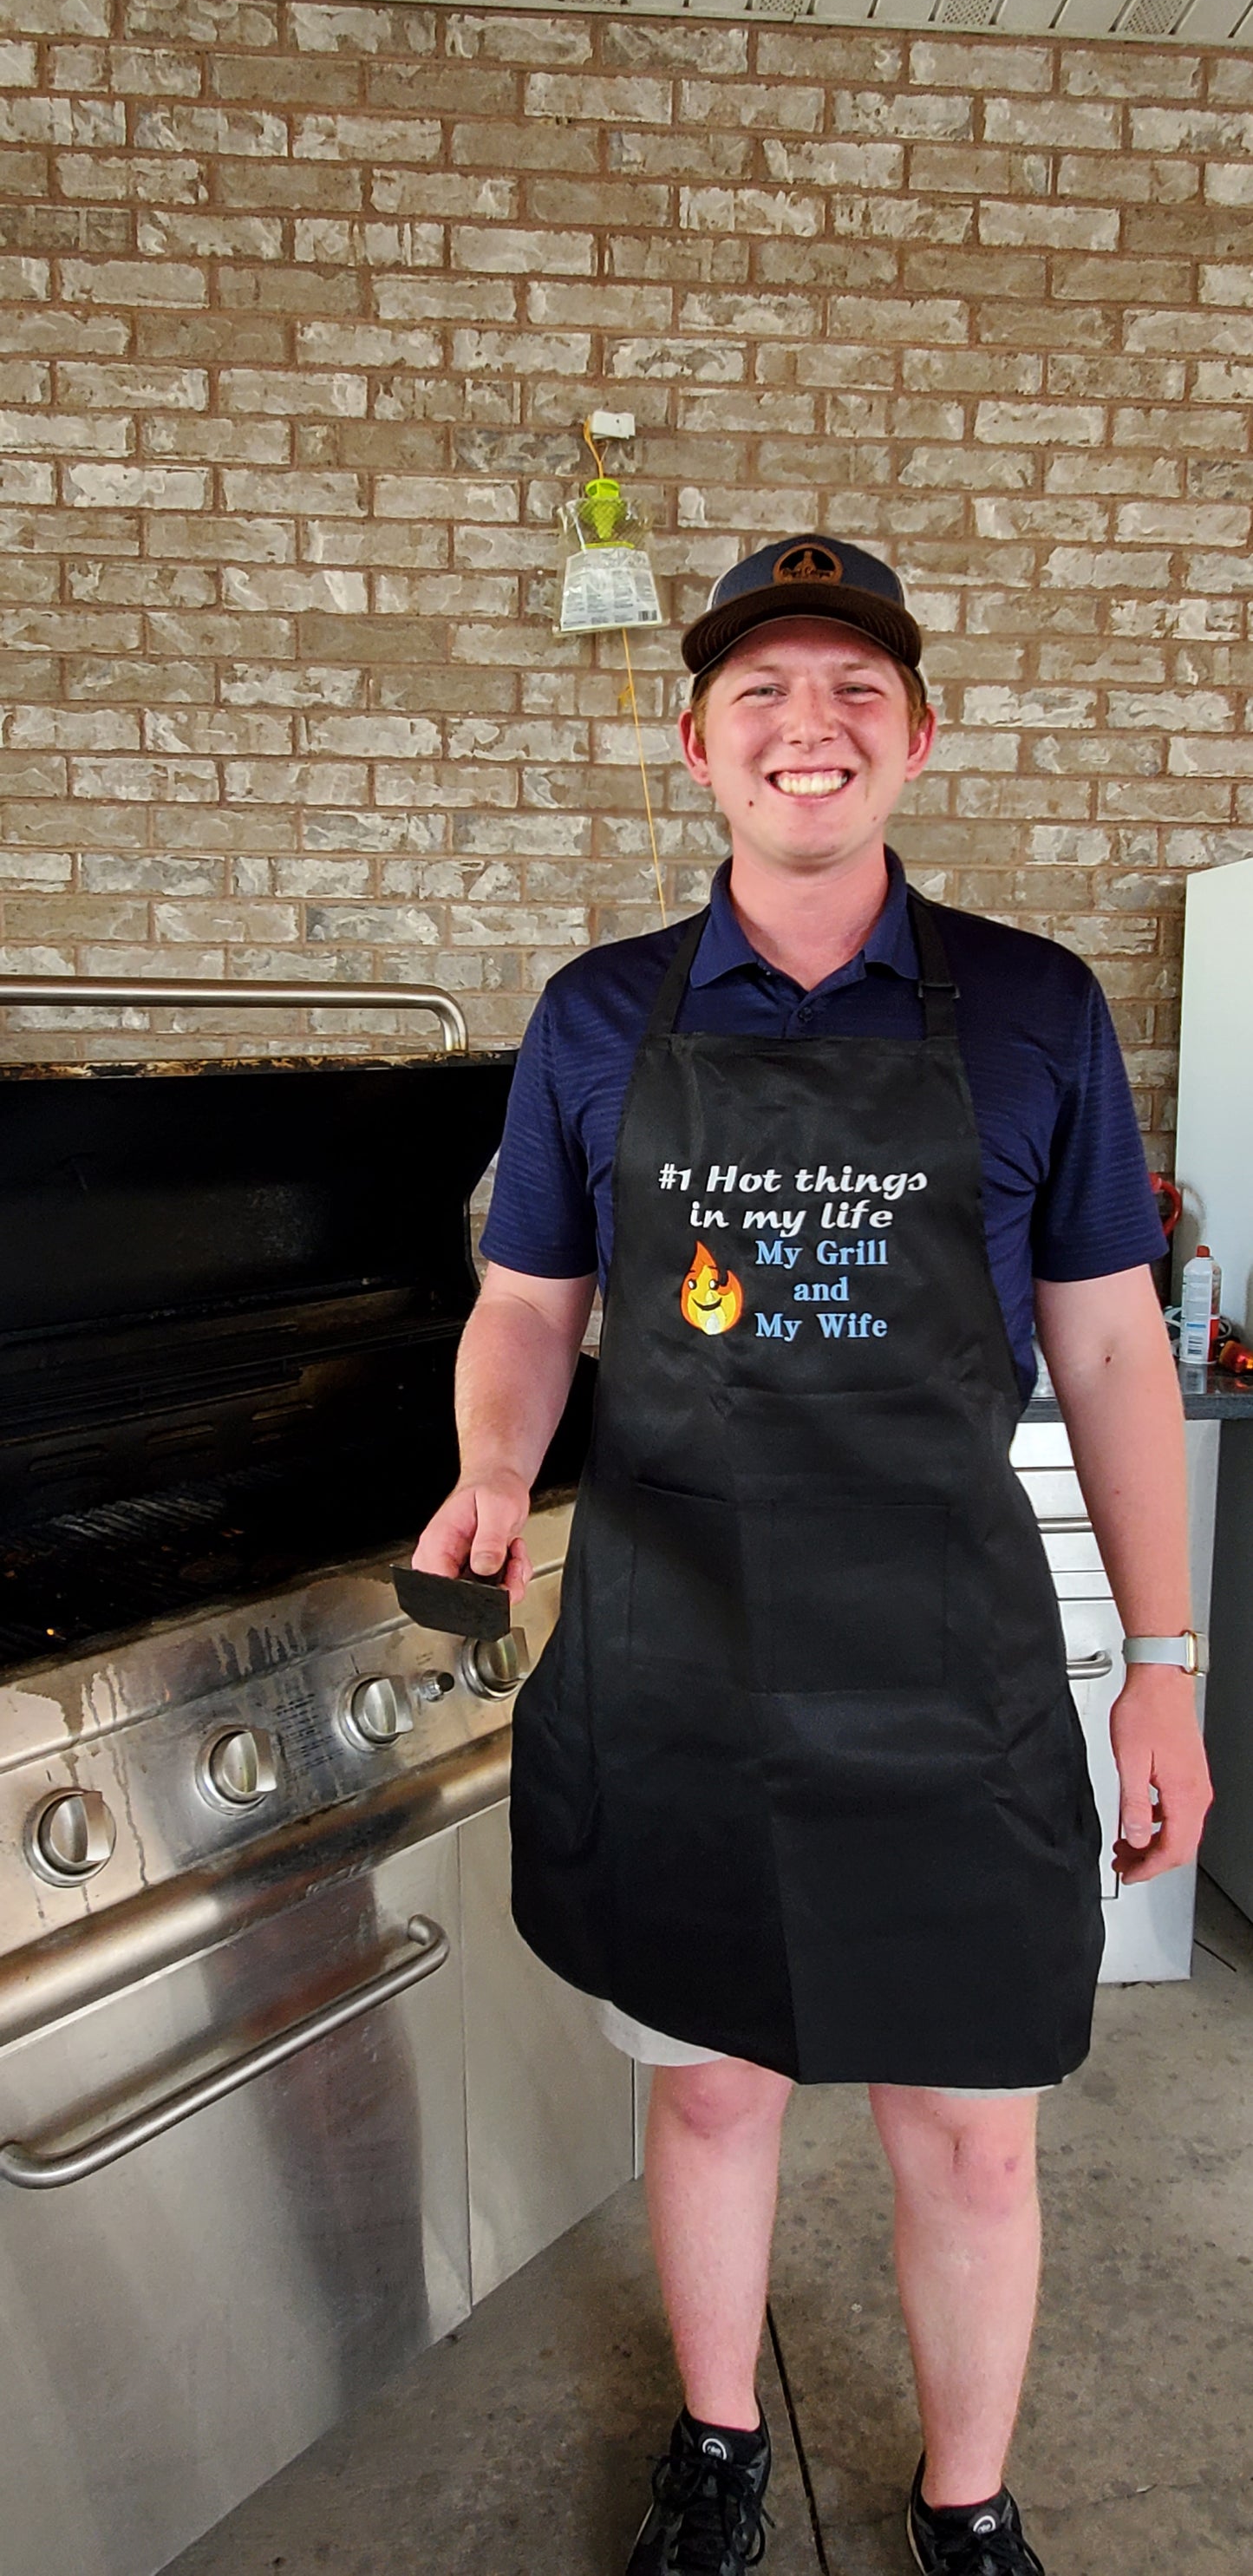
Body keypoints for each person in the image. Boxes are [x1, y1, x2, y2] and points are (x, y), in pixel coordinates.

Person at [414, 536, 1212, 2576]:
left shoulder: (1033, 1009)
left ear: (918, 738)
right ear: (698, 746)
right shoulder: (600, 1017)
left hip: (945, 1660)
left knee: (969, 2120)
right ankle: (715, 2444)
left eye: (857, 688)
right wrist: (499, 1466)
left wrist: (1169, 1659)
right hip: (682, 1655)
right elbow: (527, 1300)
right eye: (762, 690)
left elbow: (1116, 1340)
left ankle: (964, 2499)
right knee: (712, 2096)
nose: (810, 724)